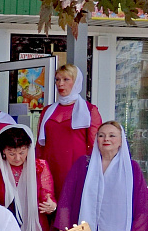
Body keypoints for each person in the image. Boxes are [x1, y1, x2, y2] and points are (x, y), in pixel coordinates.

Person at [37, 63, 101, 193]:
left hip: (77, 169)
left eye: (66, 79)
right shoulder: (47, 111)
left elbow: (95, 145)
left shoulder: (89, 110)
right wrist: (37, 169)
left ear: (76, 82)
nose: (60, 84)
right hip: (49, 169)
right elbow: (40, 146)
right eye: (57, 79)